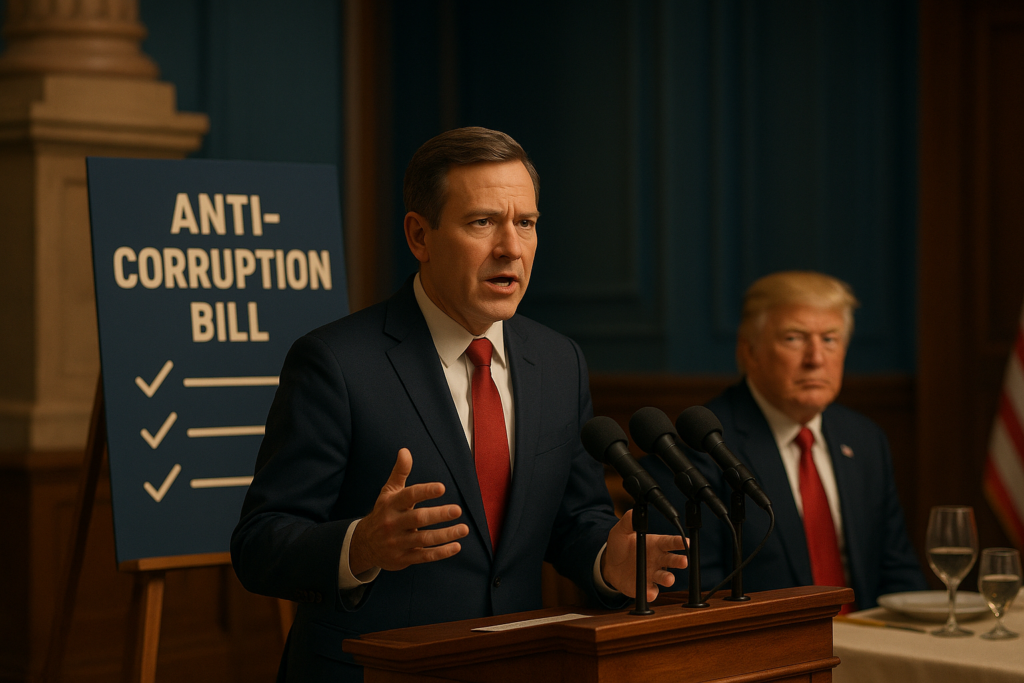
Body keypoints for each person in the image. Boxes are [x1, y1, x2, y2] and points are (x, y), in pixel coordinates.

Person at [231, 127, 686, 682]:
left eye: (526, 223)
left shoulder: (558, 360)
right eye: (482, 222)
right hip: (375, 672)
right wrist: (360, 545)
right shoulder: (336, 362)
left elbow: (574, 519)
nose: (511, 248)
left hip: (516, 668)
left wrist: (607, 562)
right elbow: (259, 545)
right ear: (420, 236)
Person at [645, 271, 925, 610]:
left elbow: (899, 573)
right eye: (794, 338)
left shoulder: (865, 439)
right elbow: (696, 595)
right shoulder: (699, 448)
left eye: (830, 339)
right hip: (763, 640)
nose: (815, 359)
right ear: (750, 351)